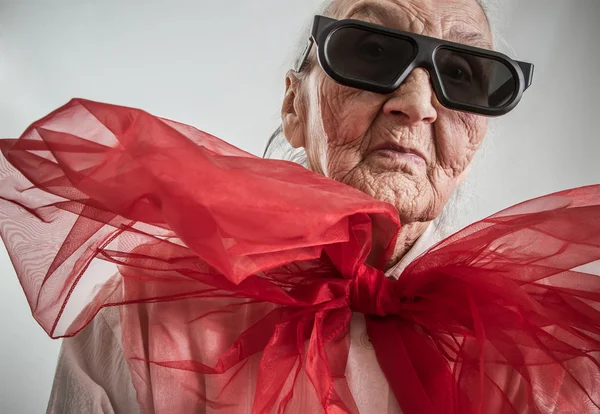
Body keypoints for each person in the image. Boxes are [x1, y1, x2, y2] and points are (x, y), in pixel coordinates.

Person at [0, 0, 598, 413]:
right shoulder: (138, 319)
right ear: (294, 102)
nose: (417, 103)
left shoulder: (553, 360)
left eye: (464, 74)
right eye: (371, 52)